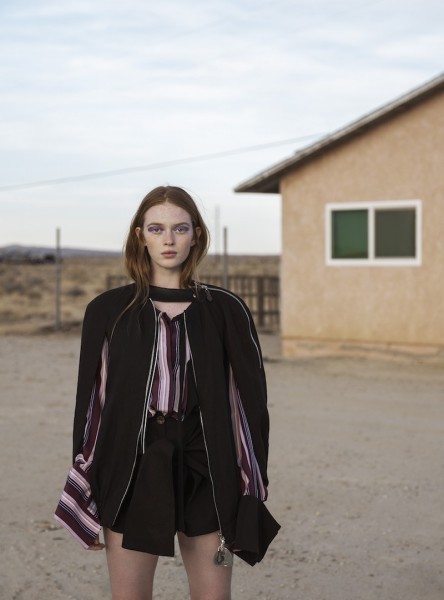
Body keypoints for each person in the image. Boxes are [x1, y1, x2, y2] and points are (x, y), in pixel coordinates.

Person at [54, 185, 280, 600]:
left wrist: (250, 487)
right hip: (133, 463)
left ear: (197, 234)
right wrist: (86, 488)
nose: (169, 239)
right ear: (140, 236)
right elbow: (93, 406)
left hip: (206, 464)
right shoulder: (108, 310)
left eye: (180, 228)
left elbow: (246, 406)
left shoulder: (226, 309)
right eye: (157, 229)